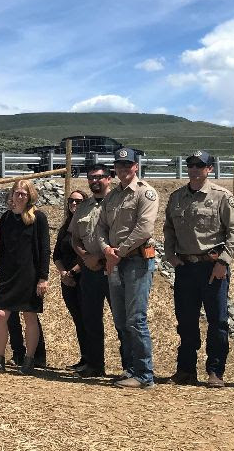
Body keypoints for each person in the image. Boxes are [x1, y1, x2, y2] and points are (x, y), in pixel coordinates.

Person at [163, 151, 234, 388]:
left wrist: (223, 262)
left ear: (210, 169)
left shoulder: (221, 196)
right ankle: (186, 370)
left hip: (212, 267)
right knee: (186, 320)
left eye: (200, 165)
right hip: (185, 266)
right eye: (191, 165)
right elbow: (169, 228)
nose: (195, 169)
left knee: (217, 321)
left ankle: (215, 371)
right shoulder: (177, 197)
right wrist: (170, 255)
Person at [96, 148, 159, 389]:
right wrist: (106, 250)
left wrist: (118, 253)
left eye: (127, 165)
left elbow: (144, 229)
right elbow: (101, 227)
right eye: (119, 165)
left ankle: (144, 374)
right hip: (115, 261)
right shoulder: (112, 196)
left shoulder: (146, 193)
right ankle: (130, 369)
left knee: (136, 319)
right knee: (121, 320)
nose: (123, 169)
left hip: (136, 261)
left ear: (136, 166)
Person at [0, 179, 50, 375]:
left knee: (29, 316)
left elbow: (45, 250)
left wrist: (43, 278)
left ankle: (29, 360)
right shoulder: (5, 218)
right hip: (8, 276)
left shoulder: (39, 218)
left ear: (30, 196)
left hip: (30, 276)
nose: (19, 196)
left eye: (24, 193)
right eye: (17, 193)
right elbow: (2, 249)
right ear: (11, 195)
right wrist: (1, 272)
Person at [70, 164, 126, 378]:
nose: (95, 181)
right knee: (91, 319)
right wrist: (86, 257)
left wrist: (103, 258)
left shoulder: (118, 203)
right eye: (91, 178)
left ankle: (129, 367)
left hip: (115, 268)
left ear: (109, 178)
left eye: (99, 177)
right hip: (90, 271)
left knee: (121, 319)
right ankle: (94, 365)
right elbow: (75, 238)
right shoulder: (83, 207)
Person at [53, 189, 89, 372]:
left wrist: (73, 272)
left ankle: (92, 360)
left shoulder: (88, 223)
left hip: (84, 277)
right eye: (71, 201)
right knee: (78, 319)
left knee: (87, 319)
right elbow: (56, 254)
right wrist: (63, 273)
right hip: (66, 278)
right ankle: (84, 358)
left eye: (79, 201)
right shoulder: (65, 227)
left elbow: (91, 252)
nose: (74, 204)